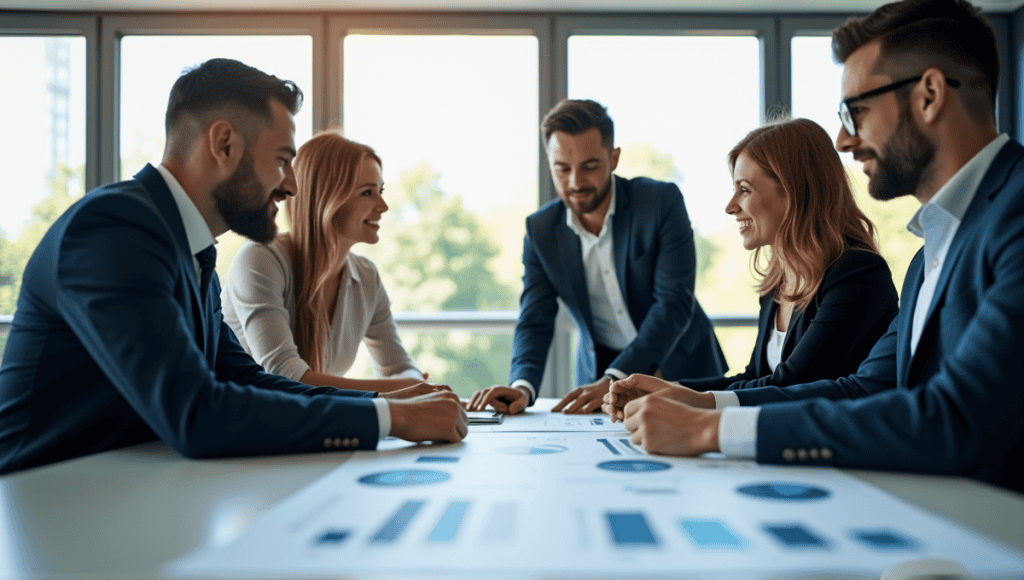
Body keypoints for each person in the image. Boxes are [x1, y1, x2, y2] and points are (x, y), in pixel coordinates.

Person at [604, 0, 1024, 494]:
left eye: (856, 111)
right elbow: (863, 389)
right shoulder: (925, 258)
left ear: (929, 95)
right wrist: (696, 402)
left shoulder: (1013, 216)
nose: (844, 140)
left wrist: (709, 429)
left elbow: (956, 419)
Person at [0, 58, 466, 475]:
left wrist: (385, 399)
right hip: (44, 506)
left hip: (118, 494)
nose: (290, 186)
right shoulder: (113, 230)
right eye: (283, 160)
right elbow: (197, 413)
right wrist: (389, 418)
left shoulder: (192, 251)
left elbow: (245, 379)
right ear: (224, 144)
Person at [468, 99, 726, 416]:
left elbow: (673, 304)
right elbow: (535, 320)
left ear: (613, 158)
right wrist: (522, 387)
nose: (575, 182)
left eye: (589, 166)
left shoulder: (660, 203)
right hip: (599, 380)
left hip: (681, 369)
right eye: (562, 168)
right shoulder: (541, 230)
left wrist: (614, 378)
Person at [678, 118, 898, 396]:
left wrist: (687, 399)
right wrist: (665, 389)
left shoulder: (858, 273)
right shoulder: (778, 282)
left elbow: (793, 384)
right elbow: (756, 377)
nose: (730, 207)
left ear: (793, 191)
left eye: (744, 190)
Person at [222, 130, 427, 393]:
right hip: (249, 428)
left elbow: (398, 368)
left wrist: (410, 383)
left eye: (381, 191)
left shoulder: (366, 276)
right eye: (368, 193)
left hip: (311, 426)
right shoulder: (260, 260)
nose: (383, 205)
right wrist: (403, 388)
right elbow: (285, 376)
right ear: (328, 199)